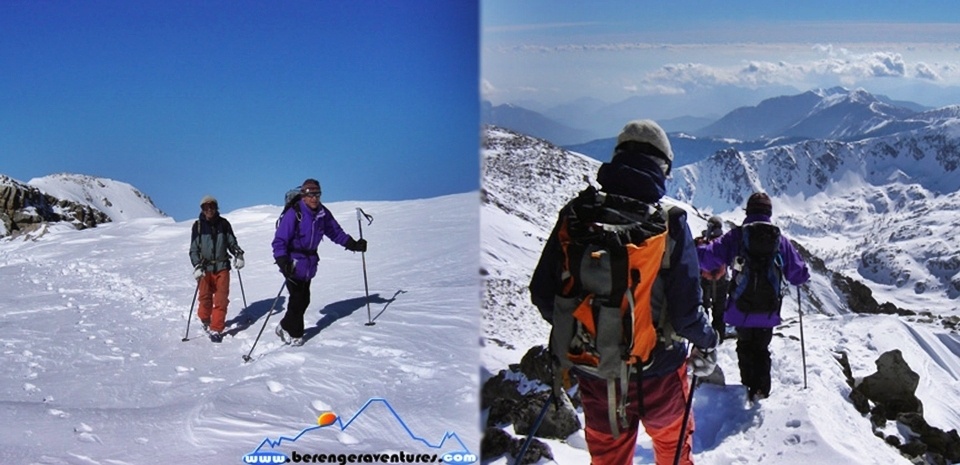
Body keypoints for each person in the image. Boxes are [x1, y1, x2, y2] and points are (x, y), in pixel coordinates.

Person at [529, 120, 718, 465]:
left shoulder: (577, 215)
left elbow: (543, 293)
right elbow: (687, 312)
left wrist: (591, 330)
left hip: (597, 372)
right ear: (663, 167)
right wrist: (708, 340)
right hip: (660, 373)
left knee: (608, 457)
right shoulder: (670, 224)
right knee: (674, 448)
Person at [697, 192, 810, 401]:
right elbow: (799, 275)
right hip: (768, 310)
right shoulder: (780, 240)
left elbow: (706, 260)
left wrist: (700, 247)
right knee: (761, 348)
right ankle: (761, 392)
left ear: (747, 211)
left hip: (741, 308)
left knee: (745, 346)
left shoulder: (736, 236)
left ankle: (748, 389)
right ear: (769, 213)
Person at [271, 178, 368, 346]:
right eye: (310, 195)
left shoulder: (322, 213)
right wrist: (282, 261)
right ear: (303, 196)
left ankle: (284, 326)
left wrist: (353, 244)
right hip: (292, 262)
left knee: (304, 298)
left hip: (309, 264)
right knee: (298, 298)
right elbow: (279, 240)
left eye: (317, 194)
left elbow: (335, 232)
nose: (314, 198)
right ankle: (296, 334)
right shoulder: (295, 213)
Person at [189, 195, 244, 343]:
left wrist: (238, 254)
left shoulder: (224, 224)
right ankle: (205, 319)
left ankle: (216, 328)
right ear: (202, 209)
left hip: (222, 267)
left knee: (221, 299)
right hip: (204, 268)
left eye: (212, 206)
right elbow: (194, 249)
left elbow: (232, 243)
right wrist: (197, 266)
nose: (209, 210)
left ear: (216, 207)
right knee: (205, 298)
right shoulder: (198, 226)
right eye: (205, 207)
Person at [695, 216, 730, 342]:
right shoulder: (725, 242)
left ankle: (702, 340)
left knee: (703, 311)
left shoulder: (702, 242)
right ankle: (718, 339)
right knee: (719, 313)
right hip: (721, 282)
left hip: (704, 280)